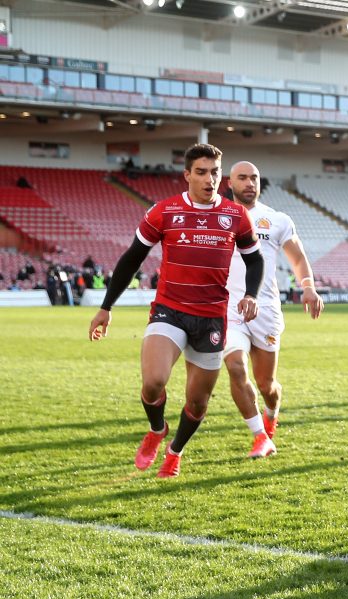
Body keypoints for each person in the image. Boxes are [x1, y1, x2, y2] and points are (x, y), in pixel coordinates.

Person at [88, 143, 264, 478]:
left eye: (214, 172)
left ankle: (174, 452)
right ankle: (156, 431)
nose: (209, 179)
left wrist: (252, 294)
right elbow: (131, 259)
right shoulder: (164, 211)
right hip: (169, 309)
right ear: (187, 175)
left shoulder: (235, 215)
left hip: (212, 317)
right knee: (153, 382)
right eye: (201, 172)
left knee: (197, 402)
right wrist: (106, 307)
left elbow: (254, 259)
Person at [222, 161, 324, 459]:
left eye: (254, 177)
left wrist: (308, 286)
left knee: (267, 384)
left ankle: (271, 414)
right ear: (230, 183)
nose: (249, 183)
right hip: (230, 309)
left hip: (266, 310)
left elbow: (298, 257)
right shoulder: (218, 217)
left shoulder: (276, 219)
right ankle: (259, 437)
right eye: (242, 178)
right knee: (236, 368)